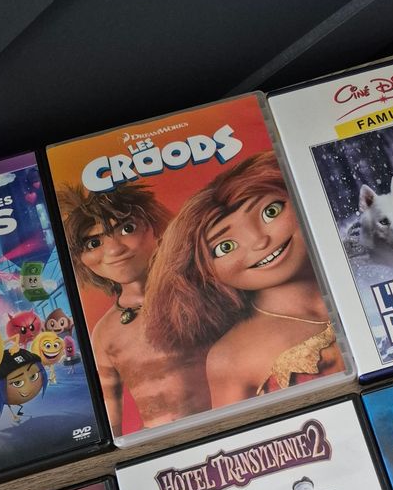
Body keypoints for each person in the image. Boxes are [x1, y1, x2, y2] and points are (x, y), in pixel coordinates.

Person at [142, 151, 344, 406]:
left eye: (270, 212)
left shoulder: (360, 273)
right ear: (200, 271)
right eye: (225, 246)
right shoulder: (229, 356)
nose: (260, 241)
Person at [57, 182, 210, 436]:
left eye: (127, 229)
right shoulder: (104, 333)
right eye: (93, 243)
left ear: (155, 228)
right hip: (159, 442)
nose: (115, 249)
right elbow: (110, 420)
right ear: (80, 259)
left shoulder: (204, 292)